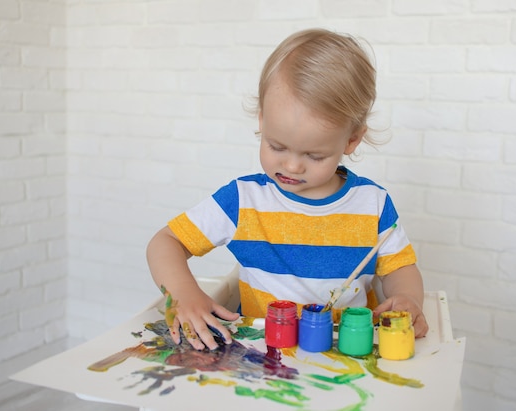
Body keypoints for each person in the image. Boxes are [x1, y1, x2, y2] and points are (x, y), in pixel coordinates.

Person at [147, 28, 428, 350]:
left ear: (351, 140)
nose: (292, 166)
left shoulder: (372, 204)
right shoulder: (243, 200)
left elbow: (399, 269)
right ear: (262, 120)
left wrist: (407, 298)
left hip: (346, 354)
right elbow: (165, 242)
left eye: (314, 155)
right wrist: (184, 293)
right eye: (276, 146)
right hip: (261, 353)